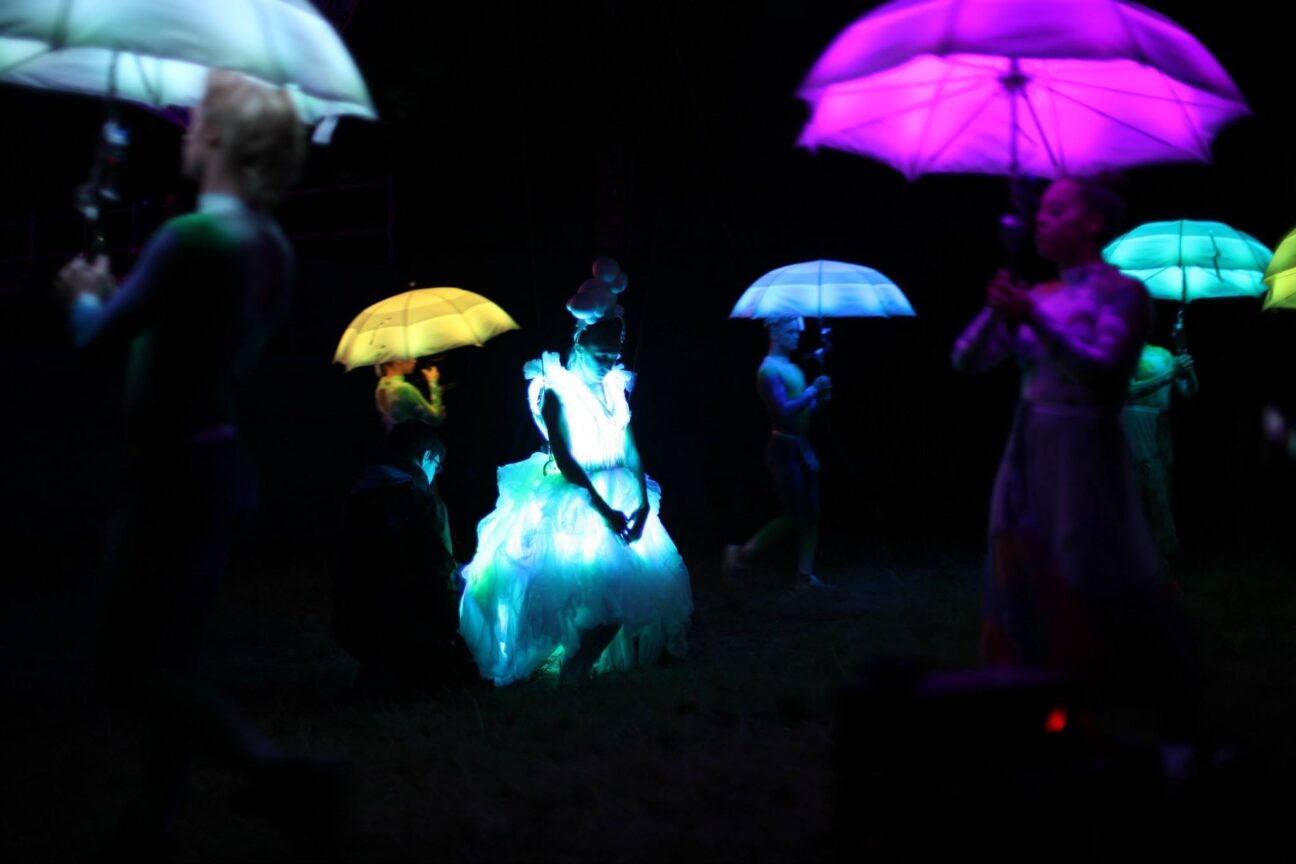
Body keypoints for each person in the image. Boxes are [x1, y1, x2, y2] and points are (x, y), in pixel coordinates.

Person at [56, 70, 348, 855]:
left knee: (122, 665)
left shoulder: (190, 238)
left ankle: (279, 770)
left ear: (220, 138)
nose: (183, 132)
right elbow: (187, 330)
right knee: (173, 661)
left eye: (194, 123)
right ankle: (154, 820)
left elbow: (96, 339)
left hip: (167, 475)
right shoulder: (271, 247)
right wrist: (131, 295)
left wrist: (86, 292)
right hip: (219, 465)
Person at [950, 175, 1198, 721]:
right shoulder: (1038, 294)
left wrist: (1031, 317)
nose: (1042, 217)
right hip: (1031, 443)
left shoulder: (1122, 294)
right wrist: (997, 307)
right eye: (1040, 209)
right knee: (1023, 558)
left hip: (1083, 446)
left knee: (1089, 562)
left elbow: (1105, 372)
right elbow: (967, 361)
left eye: (1057, 209)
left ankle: (1117, 694)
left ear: (1091, 223)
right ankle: (1029, 692)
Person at [458, 259, 692, 686]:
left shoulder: (616, 389)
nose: (609, 363)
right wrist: (603, 509)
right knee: (588, 585)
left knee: (625, 585)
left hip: (621, 492)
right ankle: (573, 664)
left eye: (614, 355)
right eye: (601, 354)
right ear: (580, 343)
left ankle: (582, 660)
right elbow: (566, 458)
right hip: (577, 494)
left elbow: (631, 449)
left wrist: (640, 500)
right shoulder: (556, 391)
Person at [333, 421, 477, 691]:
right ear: (426, 458)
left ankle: (384, 664)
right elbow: (439, 579)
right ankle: (416, 665)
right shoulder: (425, 505)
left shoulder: (356, 495)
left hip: (350, 626)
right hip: (410, 629)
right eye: (437, 466)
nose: (435, 475)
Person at [723, 316, 832, 588]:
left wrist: (819, 398)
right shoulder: (768, 371)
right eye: (792, 330)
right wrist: (812, 392)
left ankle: (805, 575)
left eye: (799, 331)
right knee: (796, 514)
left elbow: (804, 409)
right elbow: (783, 411)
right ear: (775, 331)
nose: (798, 335)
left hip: (801, 445)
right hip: (784, 448)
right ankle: (742, 553)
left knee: (811, 512)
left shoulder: (792, 368)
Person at [1124, 344, 1198, 558]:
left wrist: (1188, 369)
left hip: (1161, 423)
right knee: (1141, 486)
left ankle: (1163, 556)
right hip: (1134, 420)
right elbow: (1128, 392)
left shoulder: (1163, 353)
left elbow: (1189, 393)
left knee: (1163, 486)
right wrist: (1170, 374)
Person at [375, 357, 444, 430]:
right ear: (398, 360)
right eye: (408, 355)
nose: (414, 360)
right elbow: (436, 420)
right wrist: (433, 382)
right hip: (419, 439)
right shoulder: (404, 389)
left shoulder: (380, 387)